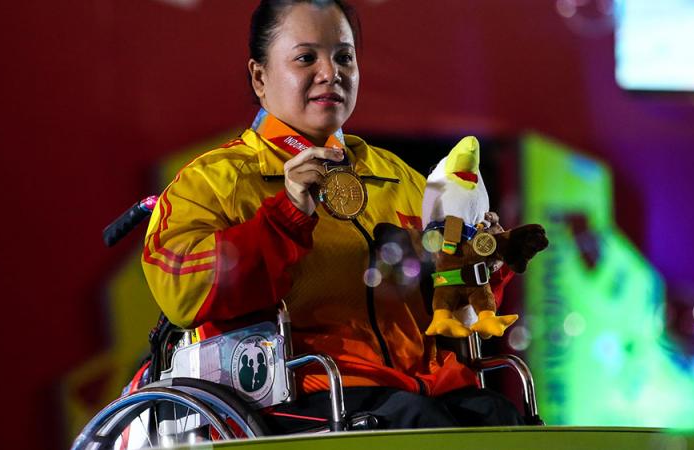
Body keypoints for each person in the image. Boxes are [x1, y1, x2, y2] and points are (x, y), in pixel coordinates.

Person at [142, 0, 523, 431]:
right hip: (301, 397)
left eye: (344, 57)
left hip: (419, 391)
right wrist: (285, 217)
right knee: (416, 423)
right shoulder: (215, 181)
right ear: (260, 77)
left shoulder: (400, 178)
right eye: (306, 57)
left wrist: (478, 266)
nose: (331, 72)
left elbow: (454, 315)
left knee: (502, 419)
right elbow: (181, 291)